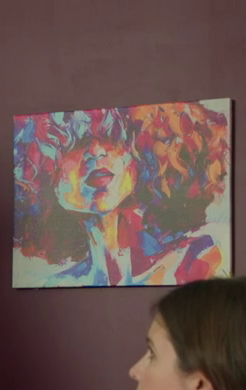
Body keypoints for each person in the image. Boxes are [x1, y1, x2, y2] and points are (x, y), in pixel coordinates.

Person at [13, 103, 231, 288]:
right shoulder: (56, 285)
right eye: (75, 144)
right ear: (42, 172)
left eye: (113, 136)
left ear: (141, 151)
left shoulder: (198, 258)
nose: (96, 152)